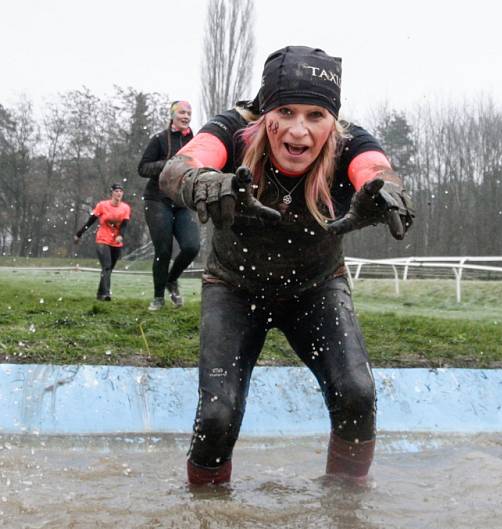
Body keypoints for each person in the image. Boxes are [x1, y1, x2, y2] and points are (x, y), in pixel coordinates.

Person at [158, 45, 414, 485]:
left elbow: (378, 170)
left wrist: (382, 189)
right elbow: (176, 168)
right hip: (234, 288)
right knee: (217, 416)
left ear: (332, 120)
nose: (300, 132)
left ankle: (345, 508)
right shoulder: (234, 131)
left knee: (357, 394)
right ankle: (206, 513)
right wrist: (201, 182)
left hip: (315, 289)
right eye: (287, 112)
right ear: (264, 114)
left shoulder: (350, 141)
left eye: (316, 115)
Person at [138, 100, 201, 311]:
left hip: (181, 202)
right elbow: (143, 168)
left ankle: (171, 280)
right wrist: (167, 164)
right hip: (157, 200)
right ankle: (158, 298)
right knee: (163, 251)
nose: (186, 116)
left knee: (192, 246)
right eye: (182, 112)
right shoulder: (159, 139)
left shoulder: (195, 140)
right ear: (172, 115)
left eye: (189, 113)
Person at [74, 183, 132, 301]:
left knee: (109, 269)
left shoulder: (125, 208)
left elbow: (125, 224)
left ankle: (100, 294)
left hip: (116, 242)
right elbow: (91, 221)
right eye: (116, 191)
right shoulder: (102, 205)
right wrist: (79, 234)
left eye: (121, 191)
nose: (119, 193)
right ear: (112, 193)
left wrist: (121, 235)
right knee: (106, 266)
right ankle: (106, 294)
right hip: (103, 239)